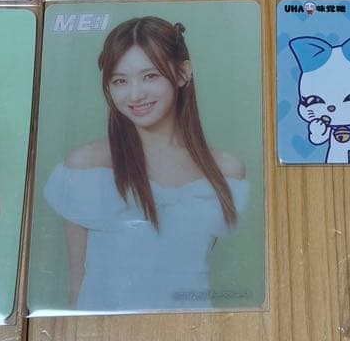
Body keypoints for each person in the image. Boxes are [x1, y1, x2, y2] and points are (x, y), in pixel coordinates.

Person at [44, 17, 249, 312]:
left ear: (183, 73)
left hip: (191, 330)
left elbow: (189, 271)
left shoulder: (226, 172)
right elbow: (77, 286)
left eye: (150, 76)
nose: (135, 94)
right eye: (120, 81)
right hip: (104, 332)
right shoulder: (85, 167)